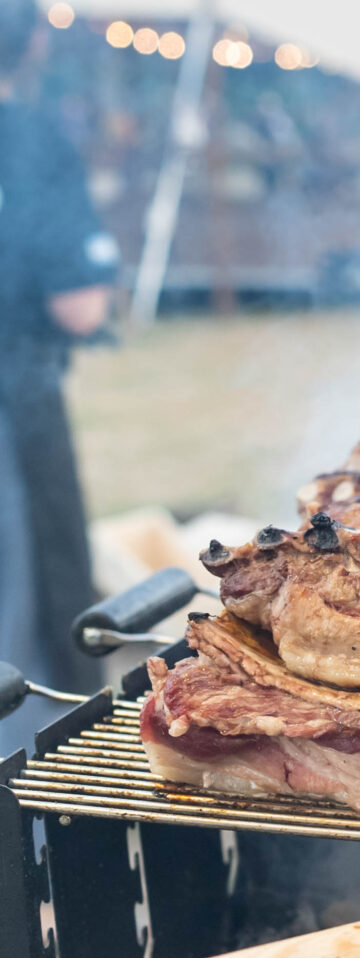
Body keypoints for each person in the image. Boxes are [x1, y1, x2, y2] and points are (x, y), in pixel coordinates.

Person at [0, 0, 117, 755]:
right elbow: (80, 307)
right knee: (27, 621)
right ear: (36, 40)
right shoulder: (30, 139)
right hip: (13, 402)